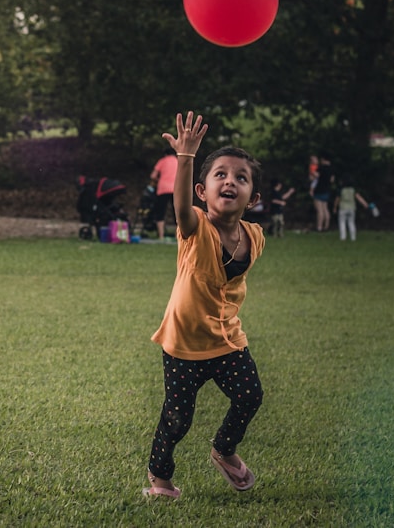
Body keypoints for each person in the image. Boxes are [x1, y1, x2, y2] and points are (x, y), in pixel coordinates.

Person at [144, 112, 266, 499]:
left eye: (241, 178)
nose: (230, 181)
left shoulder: (255, 236)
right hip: (184, 345)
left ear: (254, 198)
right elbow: (179, 208)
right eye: (221, 175)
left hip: (227, 339)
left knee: (250, 396)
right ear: (202, 191)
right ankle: (160, 480)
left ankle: (224, 450)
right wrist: (186, 156)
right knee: (178, 420)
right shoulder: (195, 228)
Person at [150, 148, 178, 240]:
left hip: (163, 188)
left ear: (165, 154)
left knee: (160, 212)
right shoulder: (178, 161)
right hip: (175, 189)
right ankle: (177, 236)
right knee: (176, 213)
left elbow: (153, 176)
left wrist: (158, 180)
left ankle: (161, 236)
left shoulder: (162, 161)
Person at [333, 175, 370, 241]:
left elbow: (337, 199)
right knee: (351, 222)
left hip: (343, 208)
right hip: (352, 208)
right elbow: (359, 198)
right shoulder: (353, 190)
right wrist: (365, 204)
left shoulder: (341, 190)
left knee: (342, 222)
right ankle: (353, 237)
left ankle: (343, 237)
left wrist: (335, 207)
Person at [312, 152, 334, 231]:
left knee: (319, 210)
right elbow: (332, 180)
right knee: (325, 209)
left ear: (323, 159)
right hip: (327, 190)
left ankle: (319, 227)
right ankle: (326, 226)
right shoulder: (331, 169)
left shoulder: (321, 168)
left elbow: (315, 175)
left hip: (319, 190)